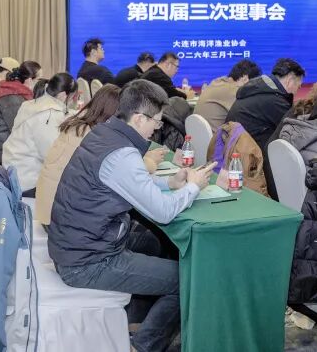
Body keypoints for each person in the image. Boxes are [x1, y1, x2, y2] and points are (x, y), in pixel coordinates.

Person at [48, 80, 212, 352]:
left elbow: (123, 181)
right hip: (87, 262)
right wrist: (193, 186)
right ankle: (144, 345)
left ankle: (135, 321)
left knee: (153, 244)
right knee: (188, 280)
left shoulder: (104, 133)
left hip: (75, 245)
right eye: (156, 121)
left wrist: (169, 183)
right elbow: (163, 212)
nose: (157, 128)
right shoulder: (122, 153)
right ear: (139, 118)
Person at [35, 85, 123, 226]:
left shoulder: (78, 125)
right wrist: (149, 162)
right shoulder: (94, 137)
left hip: (47, 210)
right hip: (61, 221)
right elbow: (120, 171)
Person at [2, 73, 77, 194]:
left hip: (14, 170)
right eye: (73, 97)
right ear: (63, 96)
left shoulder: (33, 104)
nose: (73, 101)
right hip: (27, 182)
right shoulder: (49, 115)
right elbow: (52, 156)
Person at [226, 58, 304, 146]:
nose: (296, 92)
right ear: (289, 81)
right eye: (298, 87)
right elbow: (296, 131)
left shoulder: (258, 89)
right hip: (250, 151)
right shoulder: (275, 101)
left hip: (234, 147)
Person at [0, 61, 41, 164]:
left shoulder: (13, 91)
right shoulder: (14, 99)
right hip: (1, 153)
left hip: (1, 145)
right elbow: (20, 133)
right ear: (30, 80)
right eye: (39, 79)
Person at [194, 60, 262, 130]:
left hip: (197, 134)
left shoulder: (217, 81)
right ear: (245, 78)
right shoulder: (235, 91)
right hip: (215, 136)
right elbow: (248, 118)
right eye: (252, 84)